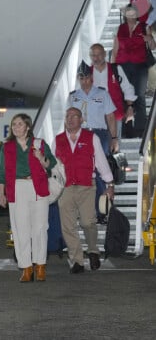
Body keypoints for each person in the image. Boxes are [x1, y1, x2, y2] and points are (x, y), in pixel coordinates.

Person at [0, 113, 57, 282]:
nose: (16, 127)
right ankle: (26, 267)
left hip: (38, 188)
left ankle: (40, 266)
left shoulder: (39, 144)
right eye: (14, 124)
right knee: (20, 229)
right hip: (17, 188)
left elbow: (50, 164)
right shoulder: (7, 146)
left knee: (40, 228)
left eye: (19, 124)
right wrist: (1, 193)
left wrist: (41, 157)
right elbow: (1, 172)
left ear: (28, 127)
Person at [53, 108, 115, 273]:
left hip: (87, 186)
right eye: (68, 116)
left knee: (88, 222)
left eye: (75, 116)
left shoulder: (91, 138)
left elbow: (101, 161)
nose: (71, 119)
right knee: (68, 226)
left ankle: (93, 250)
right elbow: (52, 166)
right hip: (65, 188)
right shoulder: (58, 140)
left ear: (82, 120)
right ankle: (77, 260)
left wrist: (110, 184)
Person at [69, 60, 117, 221]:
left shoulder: (102, 94)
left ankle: (102, 209)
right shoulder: (73, 96)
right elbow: (68, 120)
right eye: (81, 78)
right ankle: (89, 209)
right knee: (84, 172)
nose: (84, 81)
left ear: (92, 78)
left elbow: (110, 117)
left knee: (98, 171)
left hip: (99, 133)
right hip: (80, 135)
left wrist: (114, 138)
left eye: (86, 78)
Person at [111, 4, 156, 137]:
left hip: (140, 65)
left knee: (139, 95)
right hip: (122, 66)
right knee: (124, 97)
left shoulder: (144, 27)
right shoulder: (119, 28)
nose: (130, 15)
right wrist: (113, 68)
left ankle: (141, 128)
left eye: (132, 13)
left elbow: (153, 47)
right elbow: (115, 49)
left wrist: (150, 39)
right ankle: (127, 128)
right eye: (128, 13)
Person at [89, 43, 137, 138]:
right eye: (93, 55)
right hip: (96, 116)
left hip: (115, 113)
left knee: (114, 144)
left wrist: (130, 107)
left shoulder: (116, 69)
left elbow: (127, 88)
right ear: (90, 56)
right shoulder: (87, 72)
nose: (96, 58)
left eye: (99, 54)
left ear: (105, 54)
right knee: (99, 146)